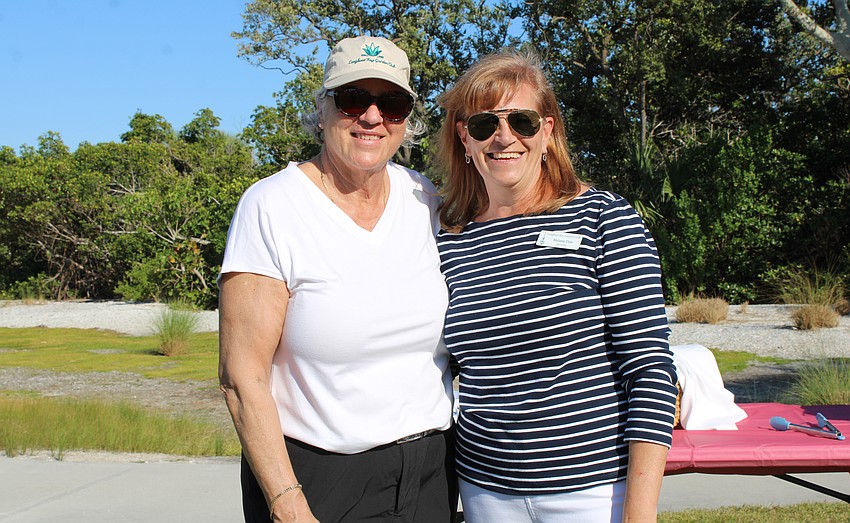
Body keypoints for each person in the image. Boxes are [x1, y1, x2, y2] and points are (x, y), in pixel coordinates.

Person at [433, 46, 679, 522]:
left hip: (592, 493)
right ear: (465, 138)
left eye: (521, 121)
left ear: (547, 131)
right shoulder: (449, 239)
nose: (504, 137)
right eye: (485, 124)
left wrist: (640, 513)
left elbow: (651, 370)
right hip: (485, 492)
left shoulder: (603, 217)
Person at [218, 36, 455, 523]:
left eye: (391, 103)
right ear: (322, 110)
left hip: (433, 473)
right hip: (320, 479)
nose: (372, 117)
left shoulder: (426, 200)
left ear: (406, 120)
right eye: (352, 100)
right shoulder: (272, 207)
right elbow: (242, 378)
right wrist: (288, 503)